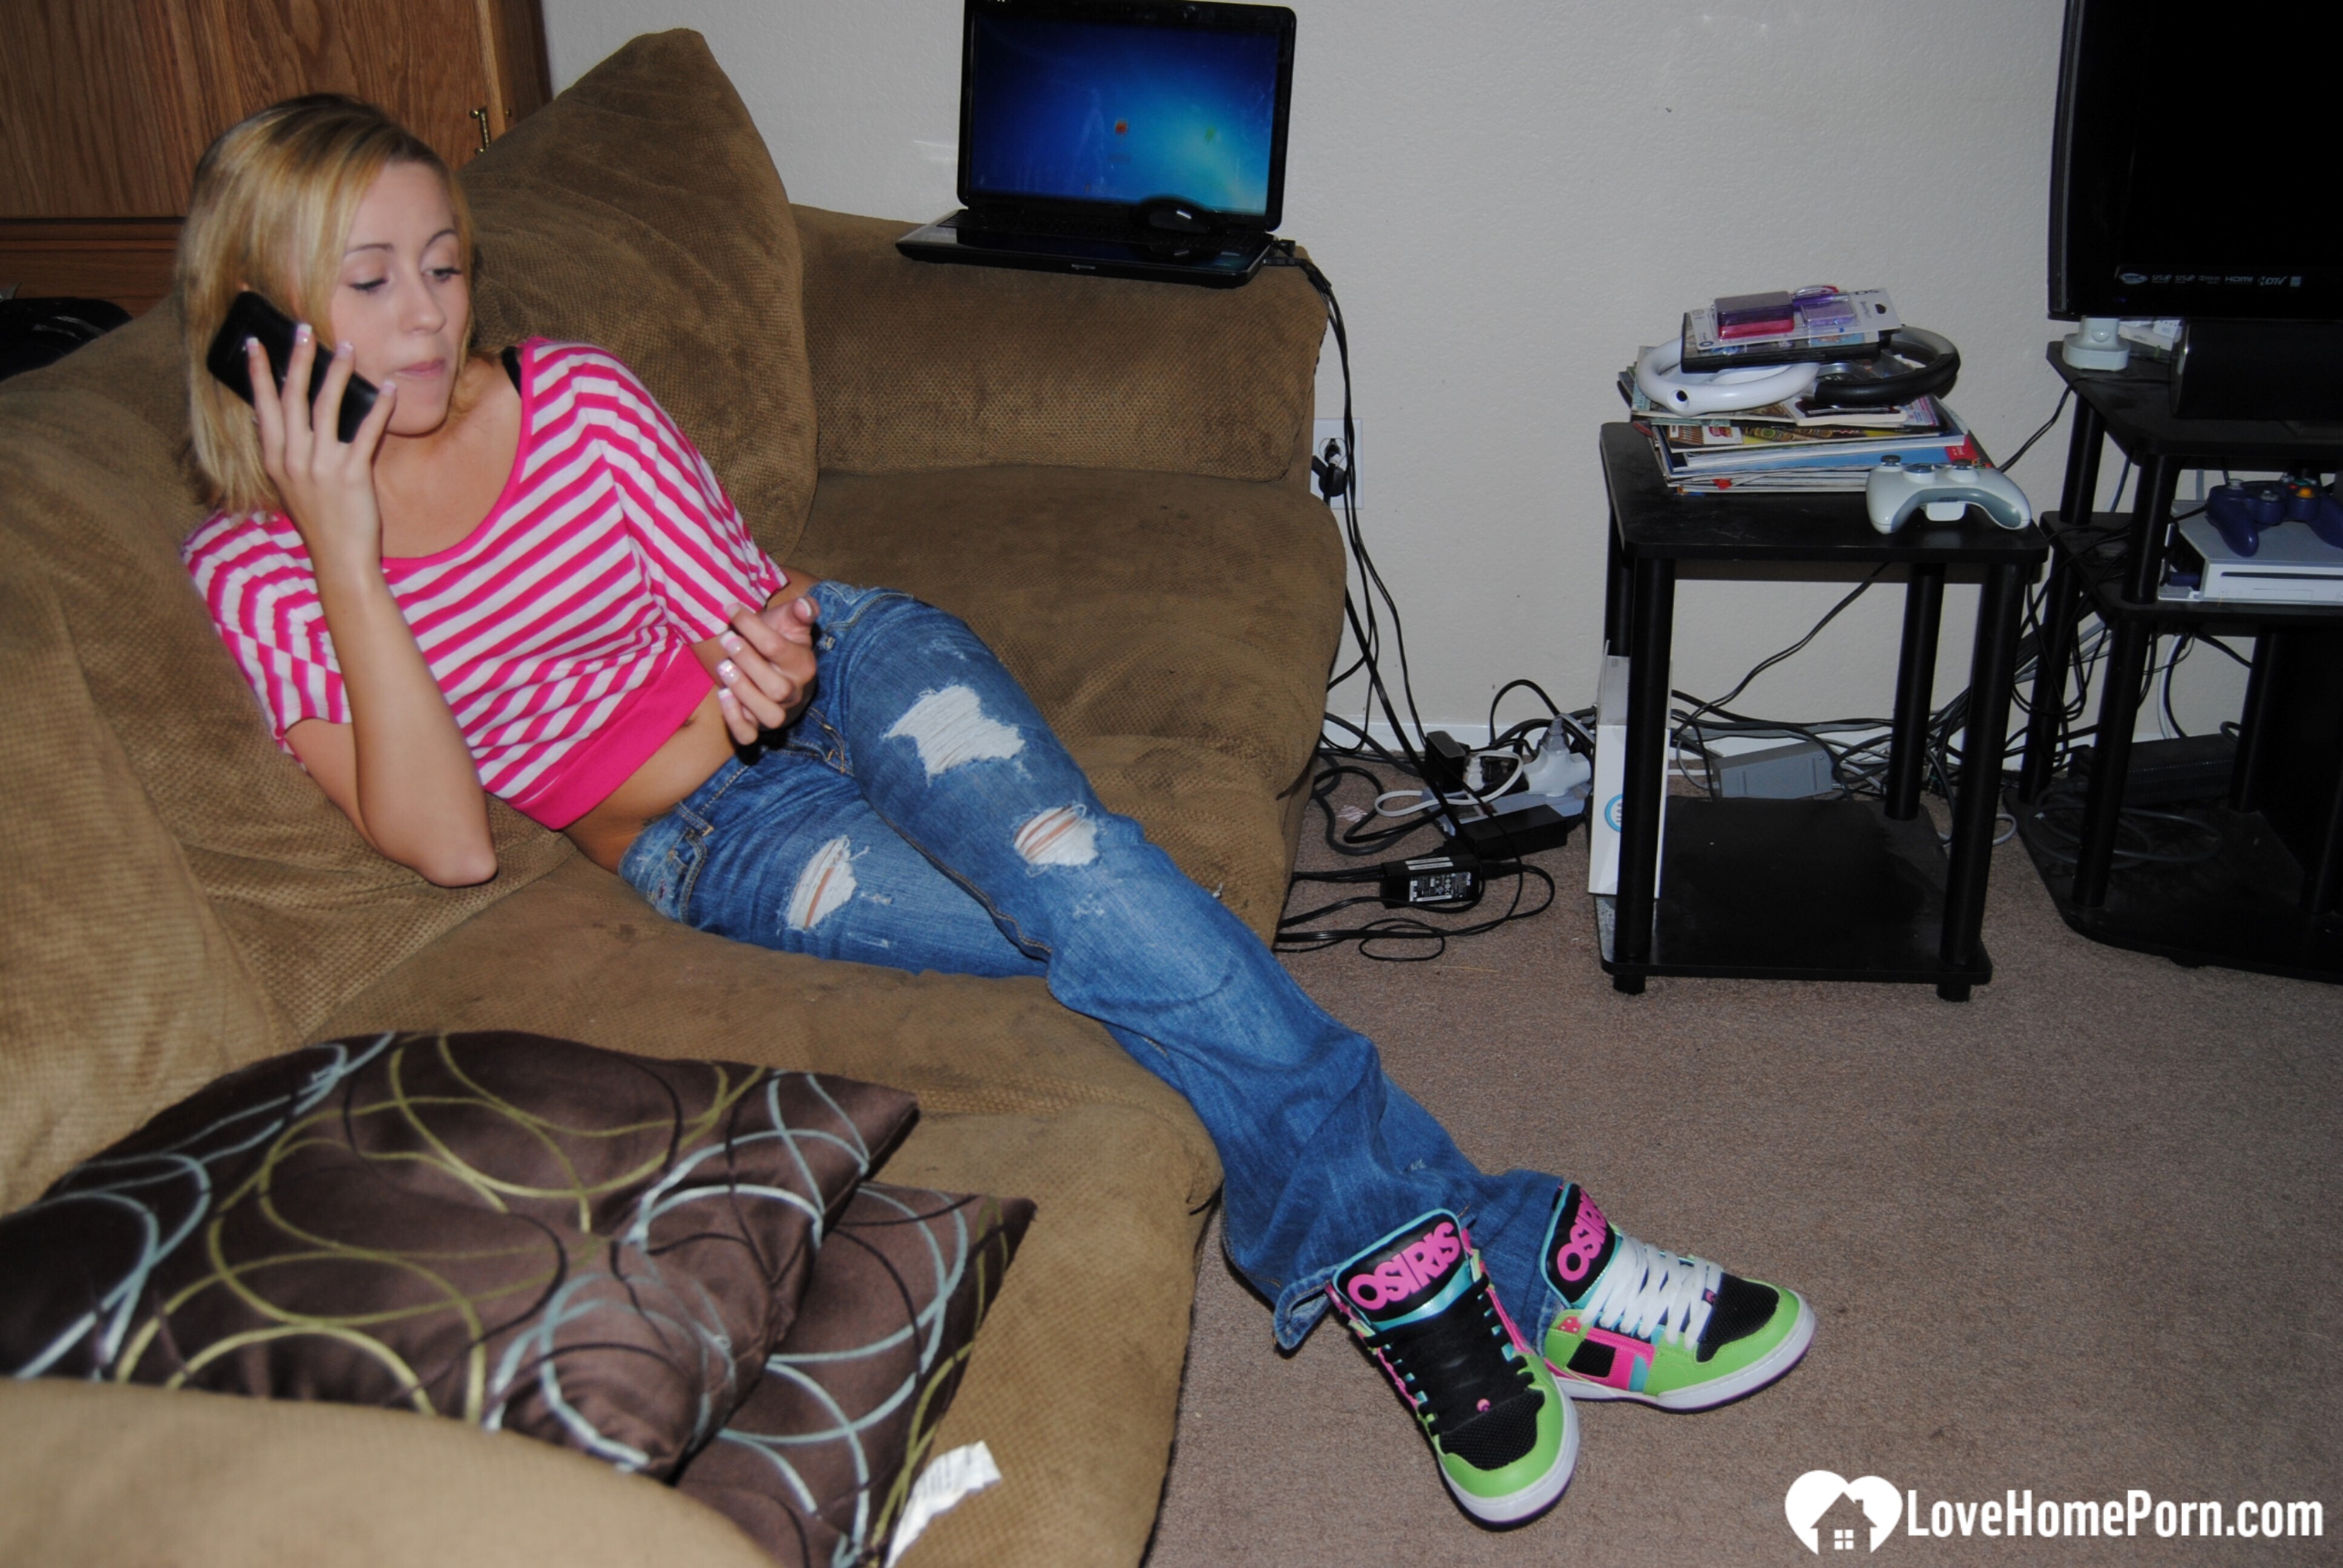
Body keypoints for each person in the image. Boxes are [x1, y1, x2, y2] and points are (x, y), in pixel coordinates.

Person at [178, 96, 1812, 1527]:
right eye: (370, 281)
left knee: (1080, 871)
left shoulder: (578, 401)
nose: (427, 317)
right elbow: (450, 839)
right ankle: (1519, 1246)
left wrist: (763, 650)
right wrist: (343, 543)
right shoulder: (258, 571)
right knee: (1119, 942)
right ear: (261, 313)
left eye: (444, 265)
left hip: (850, 668)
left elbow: (745, 607)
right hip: (711, 839)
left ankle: (1401, 1276)